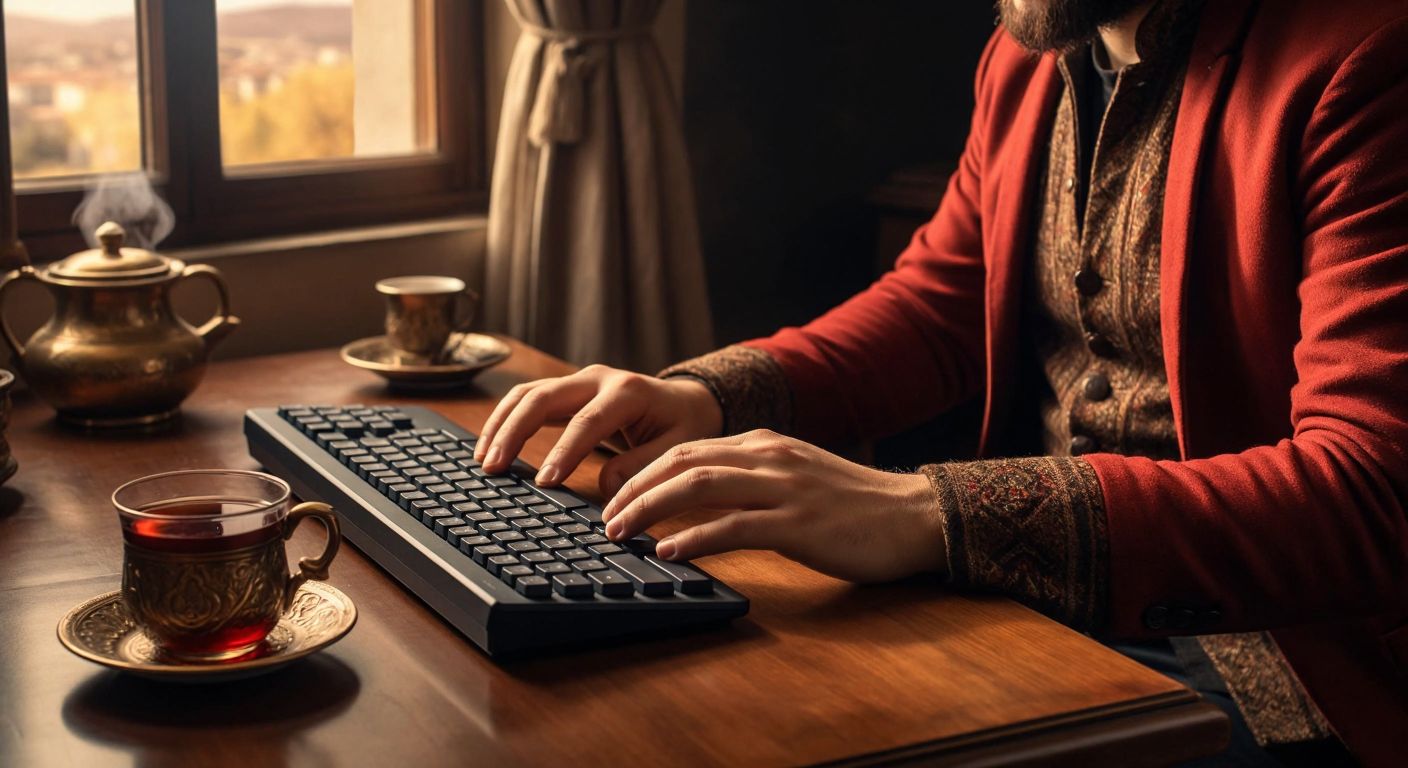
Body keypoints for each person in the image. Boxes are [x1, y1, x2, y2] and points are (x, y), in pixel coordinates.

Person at [475, 0, 1408, 763]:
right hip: (1029, 611)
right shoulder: (1026, 51)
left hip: (1290, 671)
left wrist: (929, 514)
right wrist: (706, 396)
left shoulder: (1368, 53)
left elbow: (1370, 490)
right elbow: (940, 306)